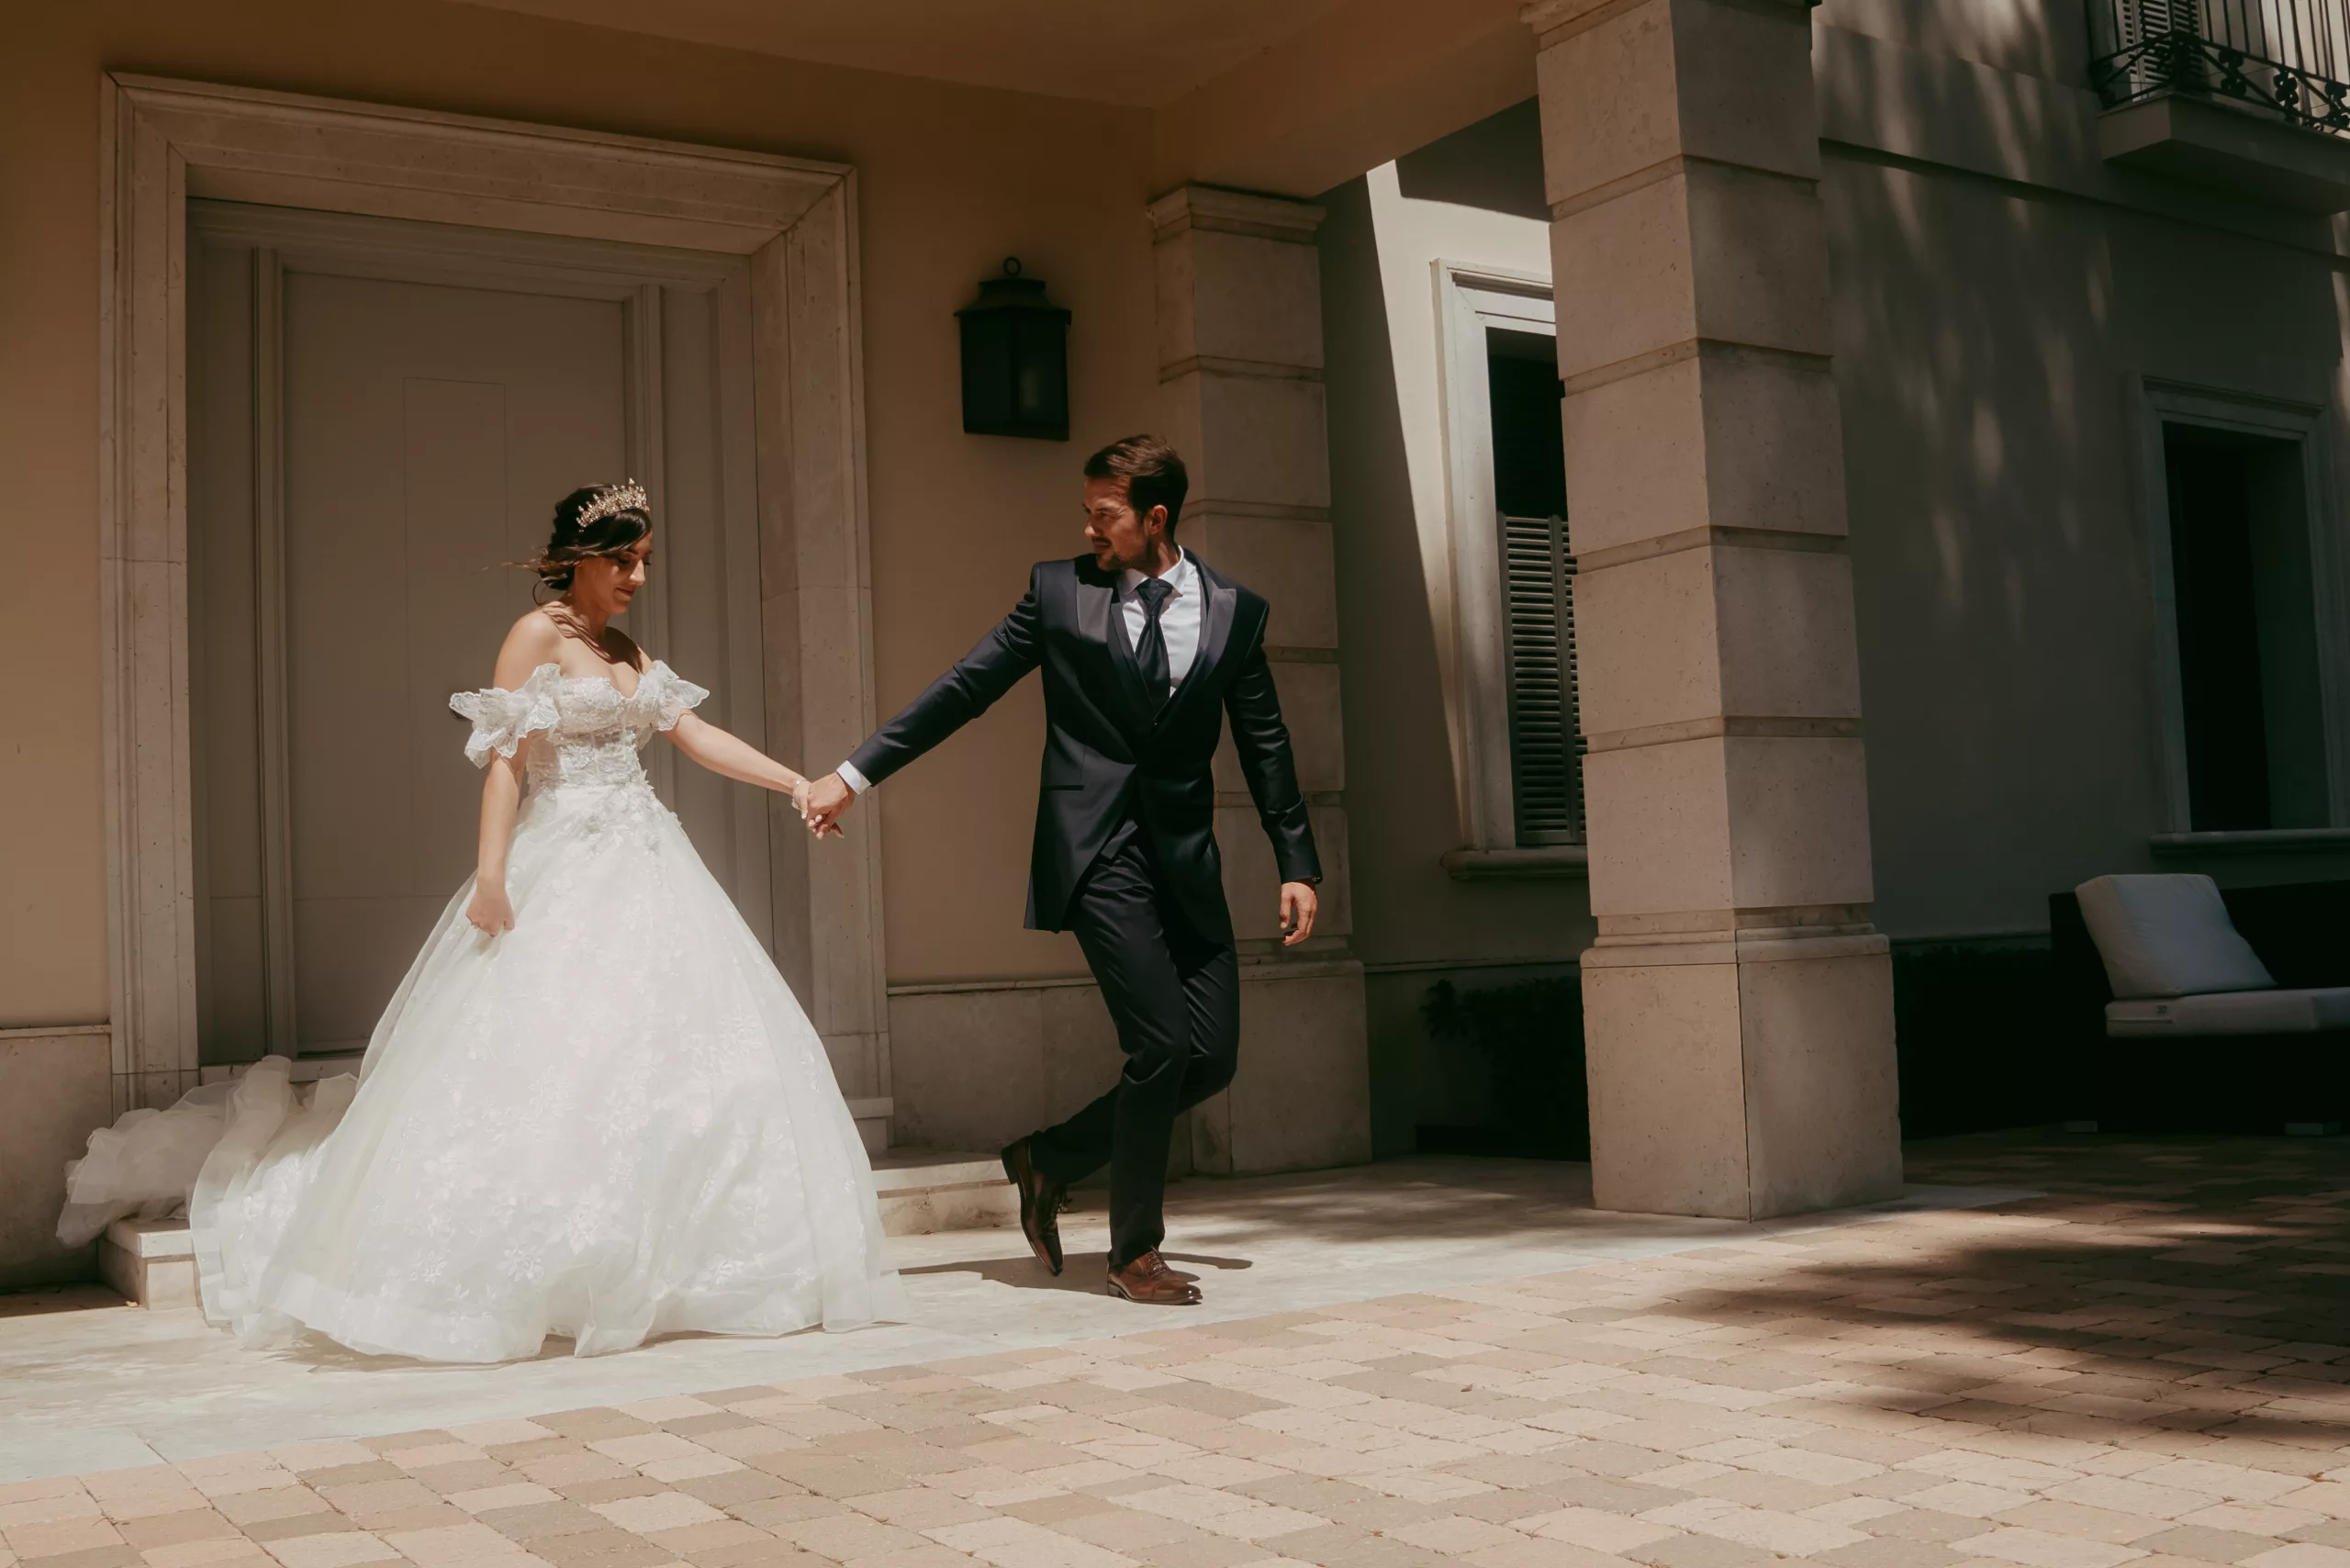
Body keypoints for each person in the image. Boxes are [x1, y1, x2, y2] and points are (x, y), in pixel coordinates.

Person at [179, 480, 904, 1361]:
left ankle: (674, 1267)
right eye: (622, 560)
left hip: (648, 862)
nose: (637, 576)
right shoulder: (535, 636)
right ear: (578, 559)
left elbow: (696, 736)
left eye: (644, 561)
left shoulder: (628, 647)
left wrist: (797, 782)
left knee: (680, 1060)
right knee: (542, 1059)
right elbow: (506, 766)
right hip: (559, 860)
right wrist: (491, 877)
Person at [801, 435, 1320, 1305]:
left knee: (1211, 1057)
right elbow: (964, 687)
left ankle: (1048, 1159)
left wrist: (1296, 861)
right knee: (1160, 1044)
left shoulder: (1237, 612)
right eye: (1088, 512)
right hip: (1097, 854)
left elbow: (1266, 745)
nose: (1089, 528)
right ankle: (1133, 1254)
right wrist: (854, 775)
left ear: (1155, 518)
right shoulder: (1058, 594)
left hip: (1186, 863)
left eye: (1105, 514)